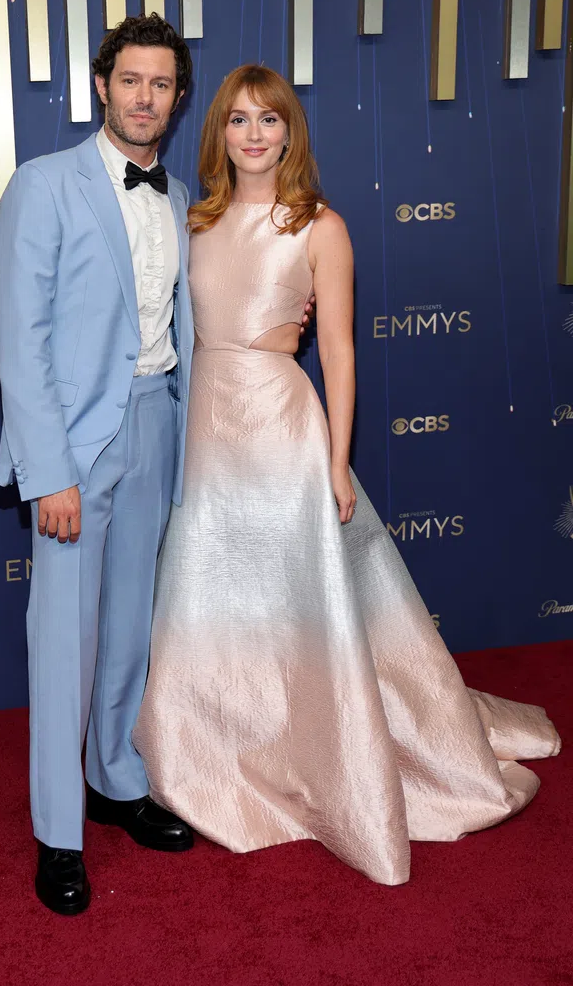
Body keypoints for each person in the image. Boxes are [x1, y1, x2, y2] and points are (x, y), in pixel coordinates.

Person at [134, 65, 561, 886]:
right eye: (237, 120)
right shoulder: (193, 220)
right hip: (205, 427)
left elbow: (338, 351)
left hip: (281, 422)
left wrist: (336, 462)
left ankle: (333, 754)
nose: (254, 134)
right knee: (208, 594)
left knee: (303, 601)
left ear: (291, 132)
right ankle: (209, 756)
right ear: (218, 132)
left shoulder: (321, 227)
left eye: (270, 119)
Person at [0, 14, 199, 915]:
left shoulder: (182, 193)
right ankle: (56, 832)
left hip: (158, 425)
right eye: (131, 81)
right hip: (76, 449)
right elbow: (20, 341)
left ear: (176, 98)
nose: (145, 97)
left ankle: (117, 781)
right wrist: (51, 471)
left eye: (161, 84)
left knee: (130, 633)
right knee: (64, 642)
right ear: (102, 85)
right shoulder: (44, 185)